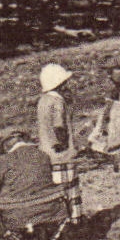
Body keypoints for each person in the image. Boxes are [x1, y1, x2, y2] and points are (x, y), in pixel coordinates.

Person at [35, 63, 83, 227]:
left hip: (47, 154)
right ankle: (72, 223)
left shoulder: (42, 100)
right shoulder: (57, 101)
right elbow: (59, 126)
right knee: (69, 192)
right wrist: (62, 143)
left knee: (55, 192)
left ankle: (57, 223)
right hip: (62, 156)